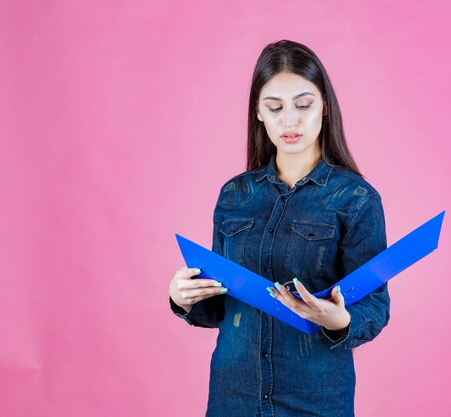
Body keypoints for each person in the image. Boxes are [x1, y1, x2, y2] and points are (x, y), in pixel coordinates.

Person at [168, 39, 390, 417]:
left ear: (324, 105)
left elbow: (376, 305)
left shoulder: (356, 199)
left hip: (315, 400)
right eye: (275, 107)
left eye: (303, 105)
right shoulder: (235, 195)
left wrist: (340, 321)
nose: (290, 120)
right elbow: (222, 307)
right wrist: (183, 298)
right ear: (258, 112)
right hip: (233, 397)